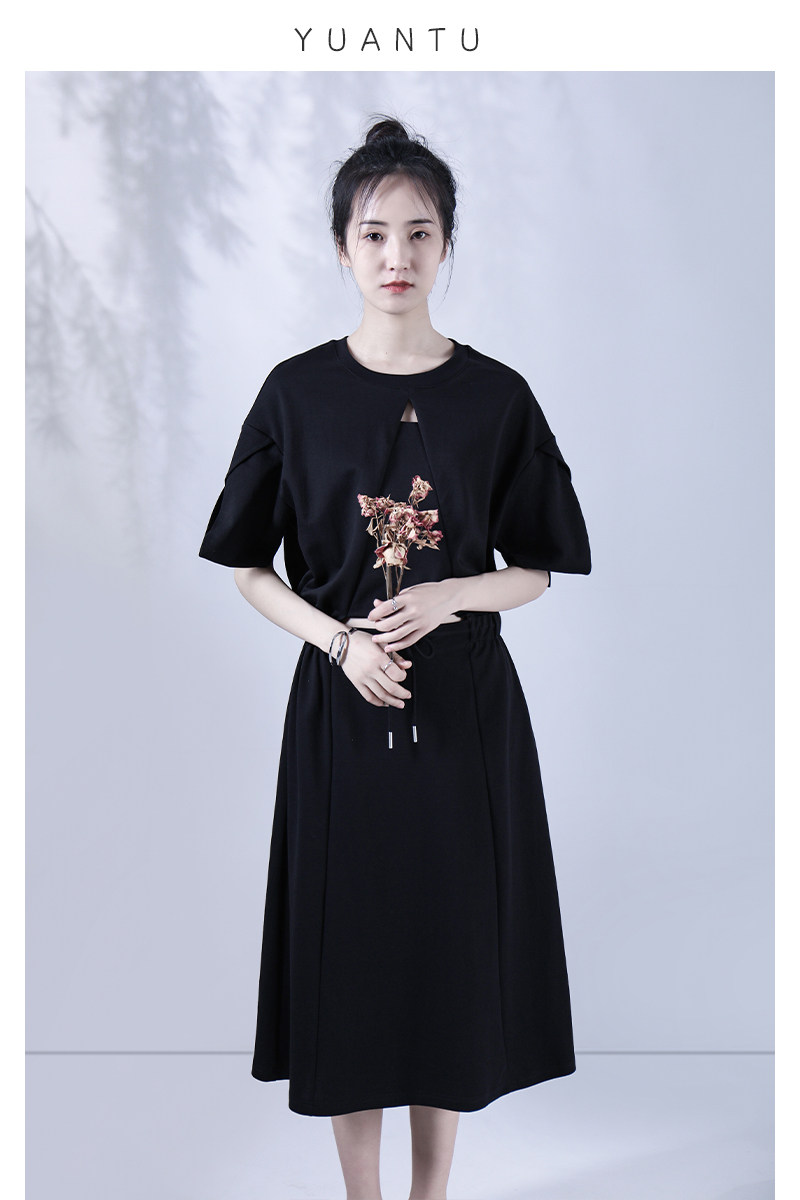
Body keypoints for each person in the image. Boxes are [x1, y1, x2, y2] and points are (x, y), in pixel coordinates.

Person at [199, 116, 591, 1200]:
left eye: (419, 233)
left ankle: (431, 1193)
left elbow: (538, 569)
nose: (396, 257)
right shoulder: (295, 393)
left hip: (464, 716)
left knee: (446, 954)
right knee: (353, 956)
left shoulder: (496, 397)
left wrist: (450, 595)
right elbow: (246, 567)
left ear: (447, 244)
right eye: (373, 234)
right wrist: (338, 643)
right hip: (341, 714)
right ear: (341, 248)